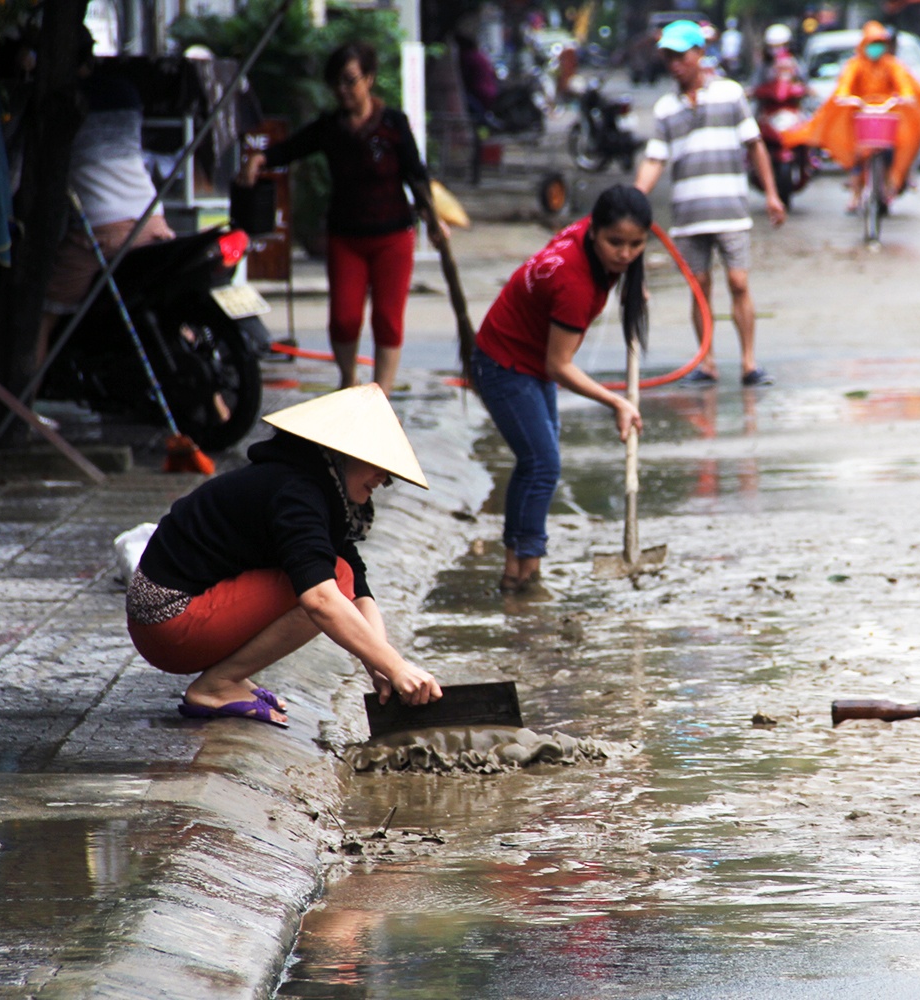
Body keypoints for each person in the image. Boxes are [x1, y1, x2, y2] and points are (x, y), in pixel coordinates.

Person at [125, 384, 443, 728]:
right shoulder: (298, 493)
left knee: (341, 573)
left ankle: (228, 676)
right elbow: (322, 599)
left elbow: (360, 592)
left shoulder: (318, 488)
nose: (383, 478)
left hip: (182, 612)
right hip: (165, 621)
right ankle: (216, 686)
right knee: (330, 581)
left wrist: (381, 665)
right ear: (341, 452)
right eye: (375, 464)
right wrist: (397, 667)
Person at [469, 185, 652, 595]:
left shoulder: (589, 241)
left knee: (537, 462)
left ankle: (515, 573)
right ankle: (525, 573)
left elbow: (553, 361)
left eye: (636, 244)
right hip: (504, 362)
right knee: (542, 463)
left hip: (529, 358)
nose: (625, 254)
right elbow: (560, 365)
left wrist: (629, 285)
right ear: (594, 232)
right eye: (615, 243)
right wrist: (615, 401)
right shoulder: (574, 282)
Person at [237, 42, 446, 397]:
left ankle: (381, 393)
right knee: (345, 317)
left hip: (393, 237)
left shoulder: (394, 124)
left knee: (387, 319)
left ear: (369, 79)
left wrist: (433, 219)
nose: (343, 90)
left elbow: (416, 174)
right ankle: (348, 381)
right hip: (346, 237)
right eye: (337, 83)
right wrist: (261, 160)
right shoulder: (330, 127)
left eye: (351, 81)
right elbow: (291, 149)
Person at [635, 19, 784, 388]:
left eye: (681, 56)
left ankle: (749, 363)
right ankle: (708, 363)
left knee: (738, 282)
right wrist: (632, 201)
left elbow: (755, 145)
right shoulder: (666, 109)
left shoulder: (731, 95)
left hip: (731, 210)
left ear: (699, 54)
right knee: (699, 288)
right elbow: (655, 159)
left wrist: (771, 194)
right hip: (689, 215)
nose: (674, 64)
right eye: (669, 57)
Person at [40, 39, 176, 364]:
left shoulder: (60, 102)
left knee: (42, 316)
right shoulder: (125, 93)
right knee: (167, 310)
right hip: (151, 216)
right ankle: (217, 406)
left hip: (101, 229)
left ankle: (22, 406)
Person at [781, 21, 920, 213]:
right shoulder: (855, 65)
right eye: (872, 42)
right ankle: (857, 193)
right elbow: (845, 85)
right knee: (858, 153)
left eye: (879, 43)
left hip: (886, 115)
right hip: (861, 115)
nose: (876, 47)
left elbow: (904, 85)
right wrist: (844, 97)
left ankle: (892, 182)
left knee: (898, 146)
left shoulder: (892, 65)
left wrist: (906, 96)